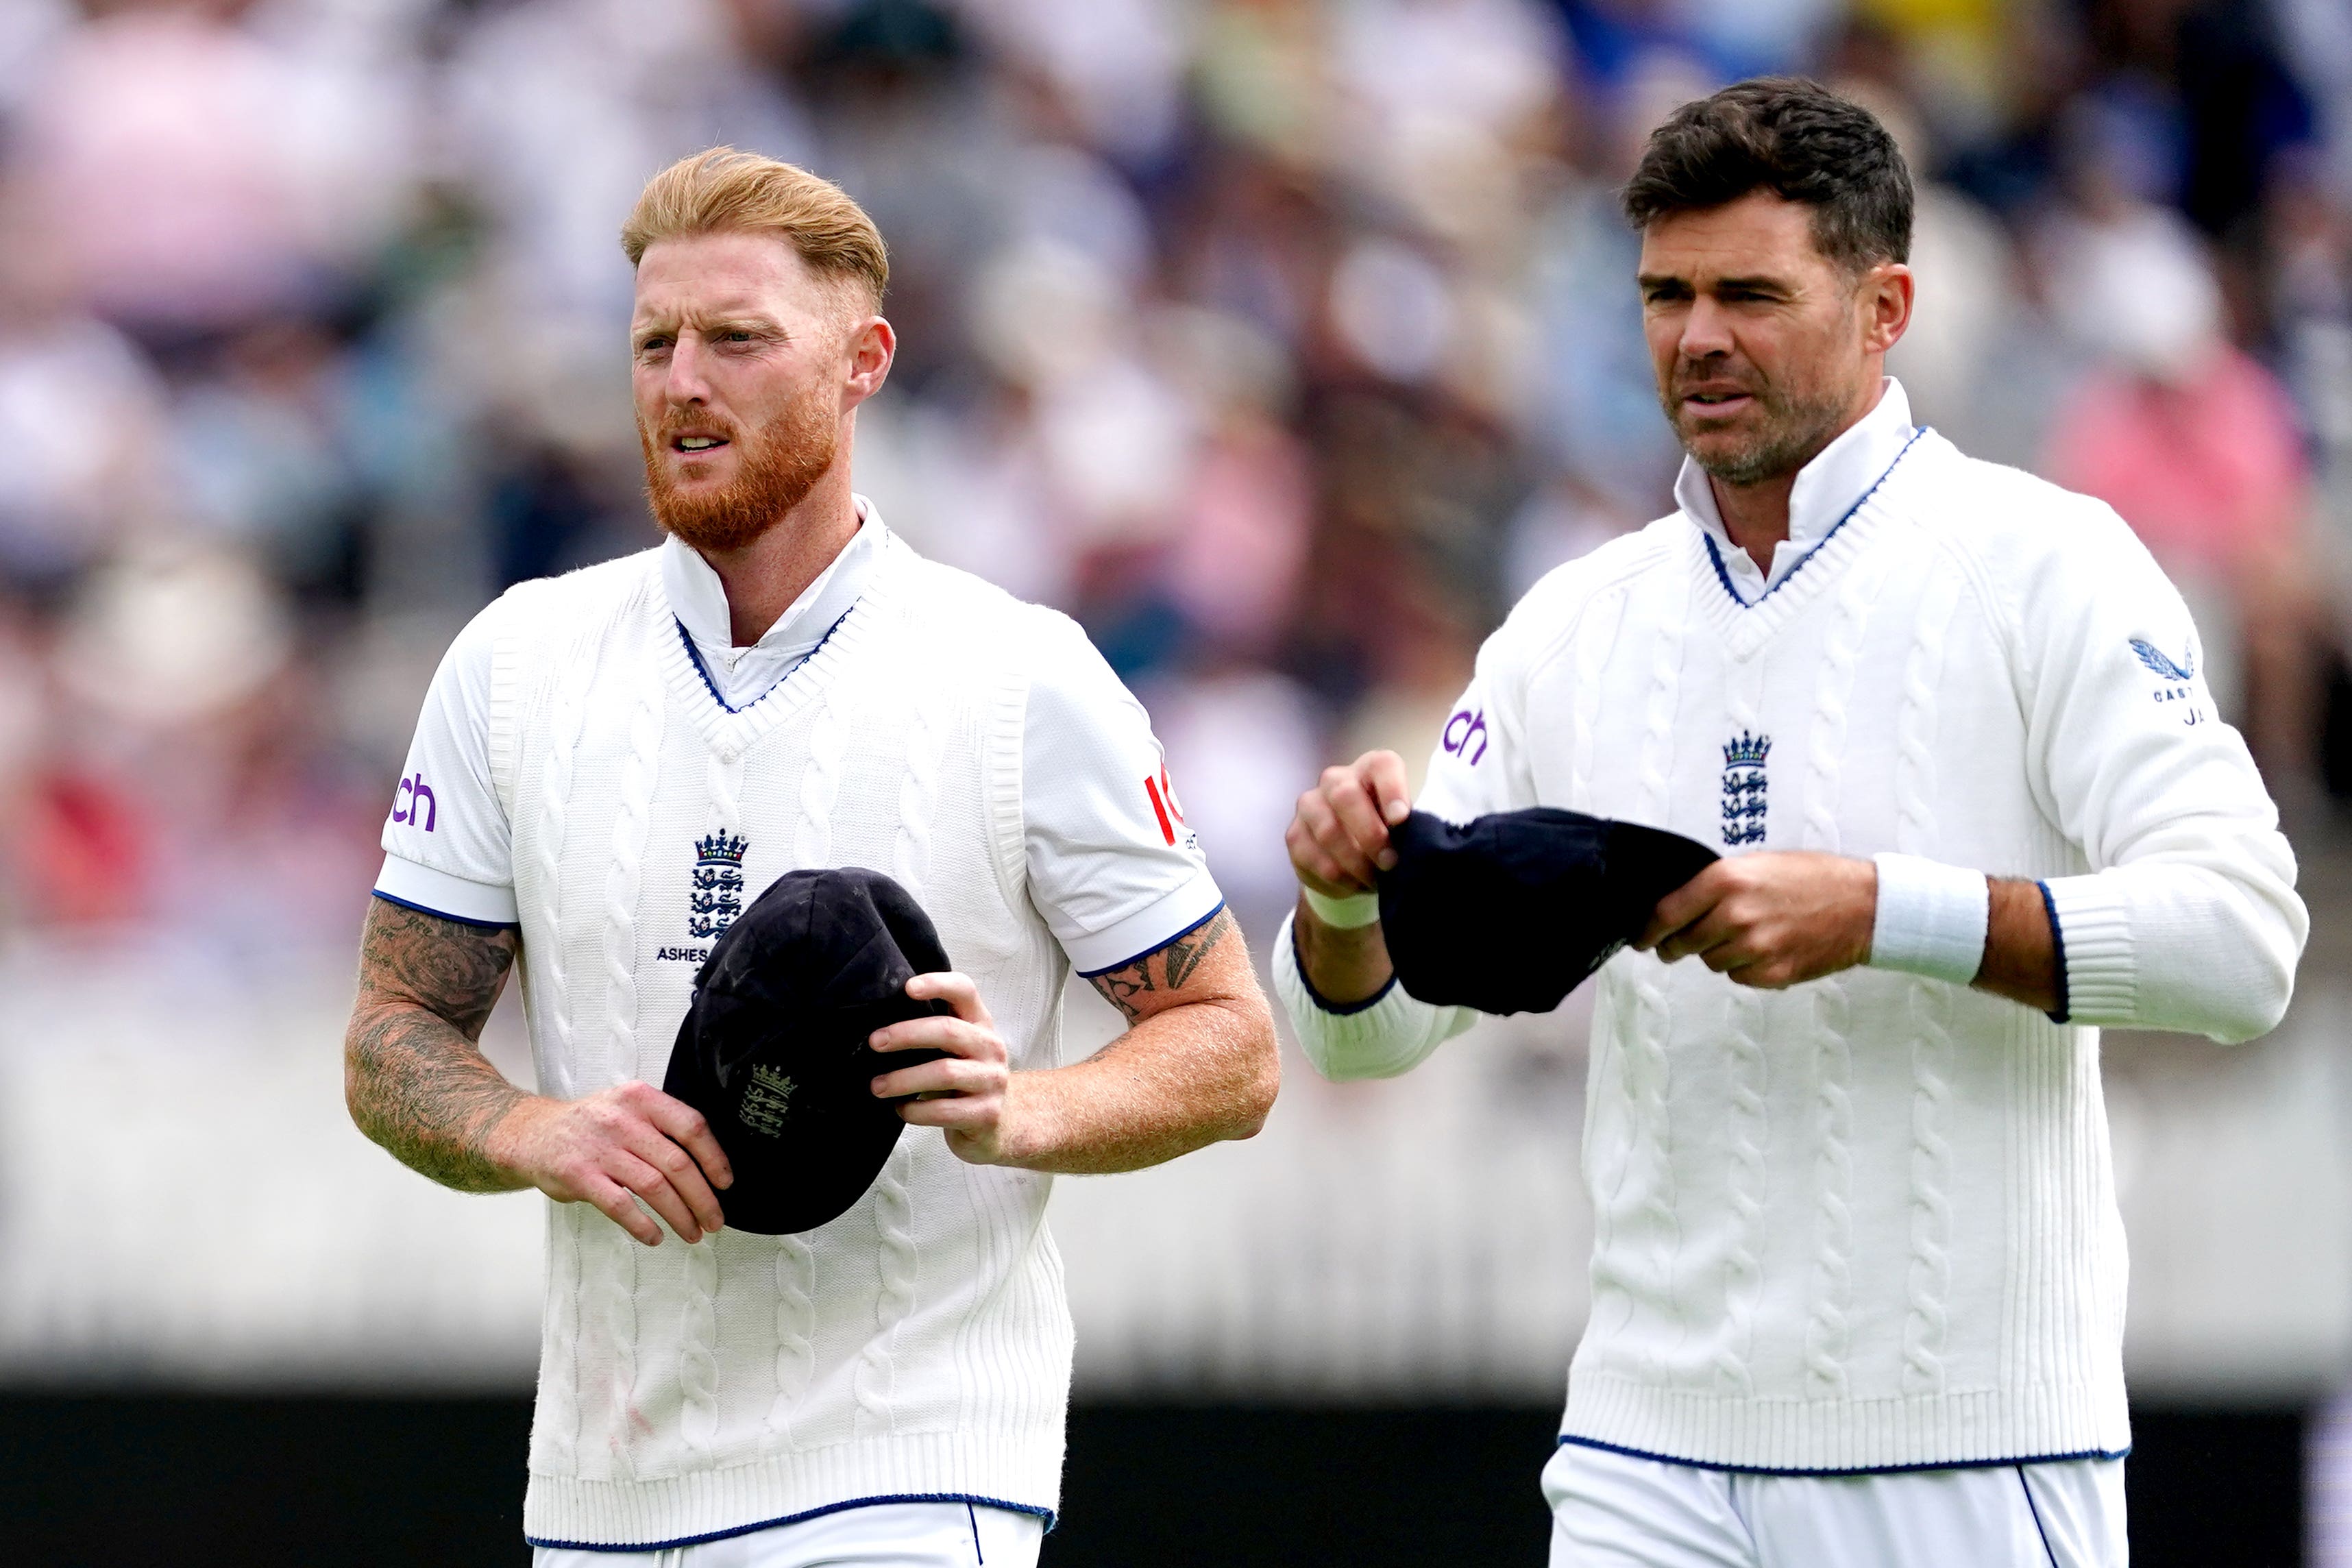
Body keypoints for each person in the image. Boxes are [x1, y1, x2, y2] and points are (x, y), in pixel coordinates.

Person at [1277, 79, 2306, 1567]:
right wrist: (1344, 898)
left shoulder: (2047, 566)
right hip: (1645, 1454)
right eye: (1666, 294)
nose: (1697, 338)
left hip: (1971, 1447)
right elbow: (1362, 1039)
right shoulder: (1574, 623)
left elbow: (2246, 941)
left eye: (1750, 293)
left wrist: (1882, 913)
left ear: (1886, 307)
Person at [343, 147, 1279, 1566]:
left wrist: (1020, 1110)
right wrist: (529, 1128)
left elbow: (1232, 1043)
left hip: (905, 1476)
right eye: (654, 342)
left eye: (737, 338)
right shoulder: (514, 663)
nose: (681, 383)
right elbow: (390, 1033)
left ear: (862, 363)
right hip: (603, 1495)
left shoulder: (1022, 675)